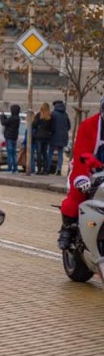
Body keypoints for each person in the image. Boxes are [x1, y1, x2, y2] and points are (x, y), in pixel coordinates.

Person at [58, 96, 104, 250]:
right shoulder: (89, 126)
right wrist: (82, 178)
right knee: (76, 197)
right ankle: (68, 229)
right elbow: (81, 155)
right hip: (89, 171)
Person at [50, 100, 71, 176]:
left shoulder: (53, 114)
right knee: (60, 153)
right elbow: (69, 126)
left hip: (54, 136)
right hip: (63, 137)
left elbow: (51, 126)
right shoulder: (66, 114)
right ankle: (59, 169)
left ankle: (48, 168)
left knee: (50, 152)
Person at [32, 102, 54, 175]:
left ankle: (39, 169)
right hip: (46, 137)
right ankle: (45, 170)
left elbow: (34, 125)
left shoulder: (38, 115)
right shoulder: (50, 117)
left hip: (38, 136)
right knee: (45, 153)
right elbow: (52, 128)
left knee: (39, 153)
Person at [0, 104, 21, 174]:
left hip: (9, 137)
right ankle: (15, 168)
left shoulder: (12, 118)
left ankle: (9, 168)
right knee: (14, 153)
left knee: (10, 153)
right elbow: (7, 122)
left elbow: (3, 122)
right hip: (14, 137)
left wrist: (2, 116)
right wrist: (5, 117)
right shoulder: (17, 118)